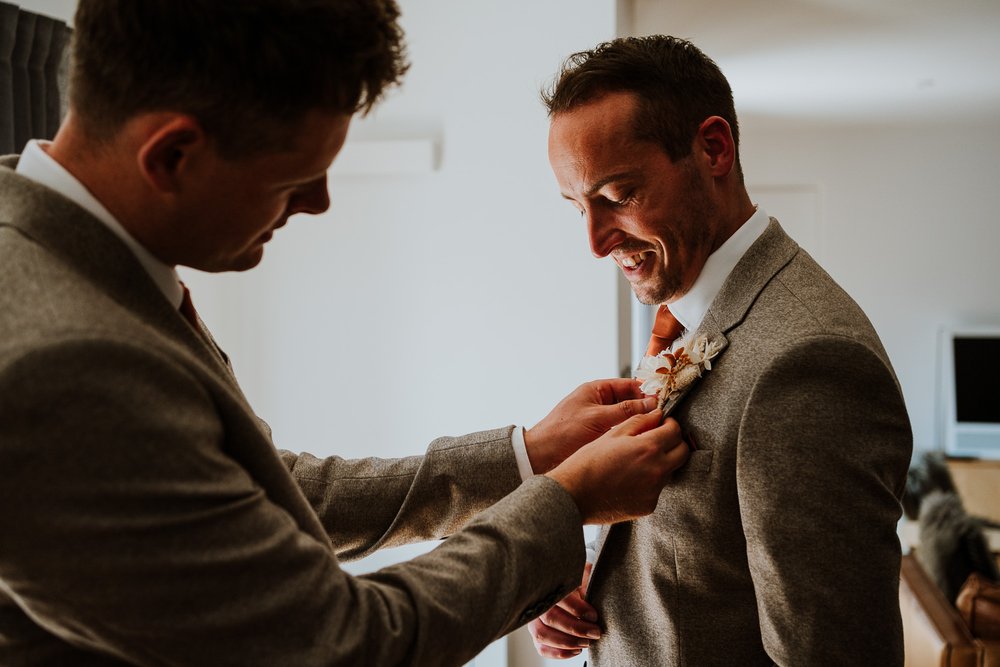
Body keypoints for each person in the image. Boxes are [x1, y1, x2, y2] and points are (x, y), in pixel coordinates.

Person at [0, 4, 692, 665]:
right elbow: (339, 644)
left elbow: (267, 489)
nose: (319, 202)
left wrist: (527, 455)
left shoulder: (66, 251)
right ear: (172, 155)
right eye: (296, 178)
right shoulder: (60, 367)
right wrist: (564, 502)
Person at [528, 35, 913, 665]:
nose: (596, 244)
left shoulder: (810, 363)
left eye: (618, 196)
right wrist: (595, 575)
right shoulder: (687, 314)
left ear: (713, 148)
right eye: (579, 208)